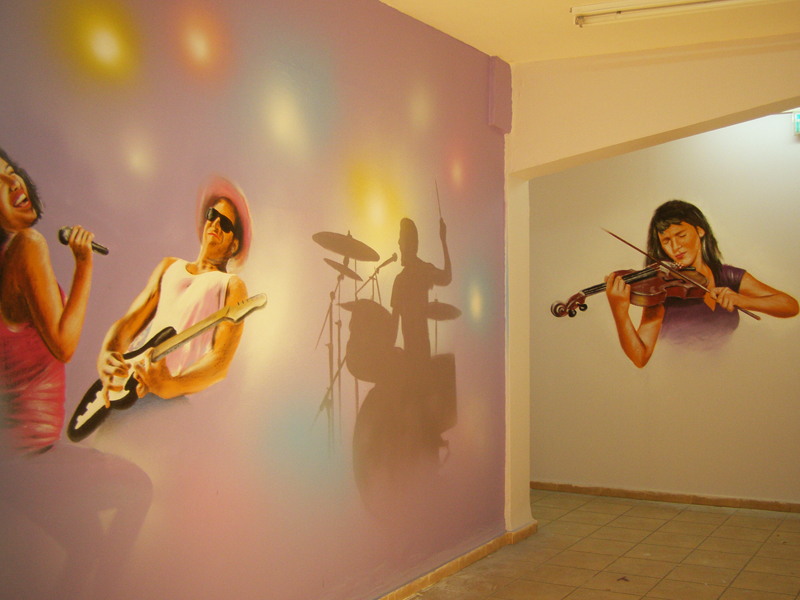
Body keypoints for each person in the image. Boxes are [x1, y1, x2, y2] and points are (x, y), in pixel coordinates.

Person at [97, 176, 251, 402]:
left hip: (167, 399)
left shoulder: (232, 285)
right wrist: (107, 354)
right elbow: (129, 323)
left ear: (234, 244)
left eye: (226, 224)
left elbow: (220, 362)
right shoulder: (169, 266)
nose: (216, 224)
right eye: (212, 215)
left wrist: (171, 385)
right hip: (126, 385)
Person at [605, 200, 798, 368]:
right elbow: (640, 358)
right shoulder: (663, 291)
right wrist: (620, 313)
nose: (675, 247)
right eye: (666, 241)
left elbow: (790, 306)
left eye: (681, 235)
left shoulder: (727, 276)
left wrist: (743, 300)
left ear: (700, 230)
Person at [0, 147, 96, 453]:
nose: (13, 183)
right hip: (34, 449)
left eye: (11, 172)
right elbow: (64, 345)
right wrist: (84, 265)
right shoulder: (28, 245)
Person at [390, 217, 451, 370]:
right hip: (420, 355)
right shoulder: (422, 270)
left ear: (408, 242)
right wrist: (443, 241)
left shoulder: (402, 279)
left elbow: (393, 328)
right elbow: (447, 277)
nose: (398, 242)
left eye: (401, 237)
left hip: (414, 357)